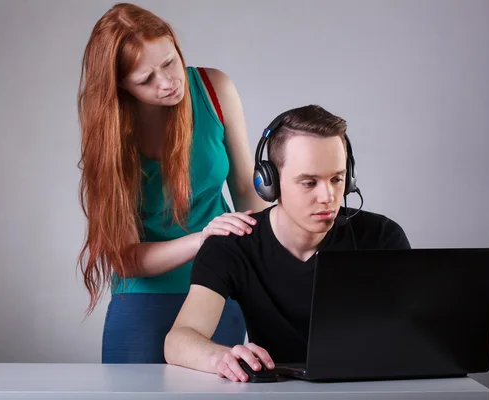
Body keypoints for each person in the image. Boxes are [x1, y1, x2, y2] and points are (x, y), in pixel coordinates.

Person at [76, 3, 269, 363]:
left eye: (169, 62)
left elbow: (246, 189)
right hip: (143, 295)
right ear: (121, 85)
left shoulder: (214, 89)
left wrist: (274, 261)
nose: (167, 83)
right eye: (145, 80)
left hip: (218, 289)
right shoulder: (110, 135)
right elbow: (125, 259)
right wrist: (204, 239)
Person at [164, 104, 411, 382]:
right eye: (309, 182)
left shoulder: (381, 237)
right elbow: (178, 341)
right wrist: (219, 357)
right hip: (275, 391)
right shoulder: (233, 245)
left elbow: (414, 334)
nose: (328, 196)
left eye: (337, 179)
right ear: (270, 183)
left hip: (369, 388)